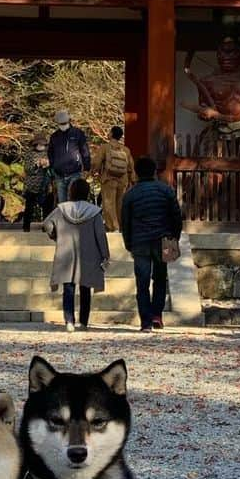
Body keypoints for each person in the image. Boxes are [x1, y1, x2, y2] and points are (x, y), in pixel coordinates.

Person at [120, 156, 183, 333]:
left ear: (137, 173)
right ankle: (157, 315)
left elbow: (125, 222)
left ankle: (145, 322)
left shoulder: (130, 194)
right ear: (154, 171)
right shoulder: (166, 190)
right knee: (160, 279)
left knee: (142, 282)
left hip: (140, 241)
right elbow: (176, 216)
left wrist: (128, 244)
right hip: (163, 239)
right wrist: (174, 238)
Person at [42, 176, 108, 333]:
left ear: (71, 191)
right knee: (85, 287)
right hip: (89, 253)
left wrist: (55, 236)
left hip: (66, 252)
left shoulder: (61, 209)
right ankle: (84, 322)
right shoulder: (94, 212)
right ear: (86, 193)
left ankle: (69, 321)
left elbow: (47, 224)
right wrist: (105, 254)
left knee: (68, 287)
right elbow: (100, 234)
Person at [95, 125, 135, 232]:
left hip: (109, 179)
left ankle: (113, 227)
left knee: (108, 204)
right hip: (123, 180)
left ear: (112, 134)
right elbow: (131, 166)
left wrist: (92, 172)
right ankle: (121, 226)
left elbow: (96, 162)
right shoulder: (126, 150)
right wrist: (133, 180)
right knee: (120, 204)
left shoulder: (104, 147)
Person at [47, 108, 91, 204]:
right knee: (62, 203)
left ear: (68, 121)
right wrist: (51, 169)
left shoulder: (77, 133)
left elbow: (85, 150)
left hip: (75, 172)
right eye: (60, 124)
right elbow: (50, 153)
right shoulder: (54, 136)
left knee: (73, 201)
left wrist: (87, 168)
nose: (62, 126)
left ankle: (74, 218)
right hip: (59, 174)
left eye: (64, 123)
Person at [22, 140, 52, 233]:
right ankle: (26, 227)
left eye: (43, 144)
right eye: (40, 144)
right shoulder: (29, 154)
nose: (41, 146)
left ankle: (46, 227)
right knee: (29, 208)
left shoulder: (48, 153)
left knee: (47, 207)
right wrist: (37, 164)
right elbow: (27, 169)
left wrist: (48, 164)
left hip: (44, 185)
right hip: (31, 185)